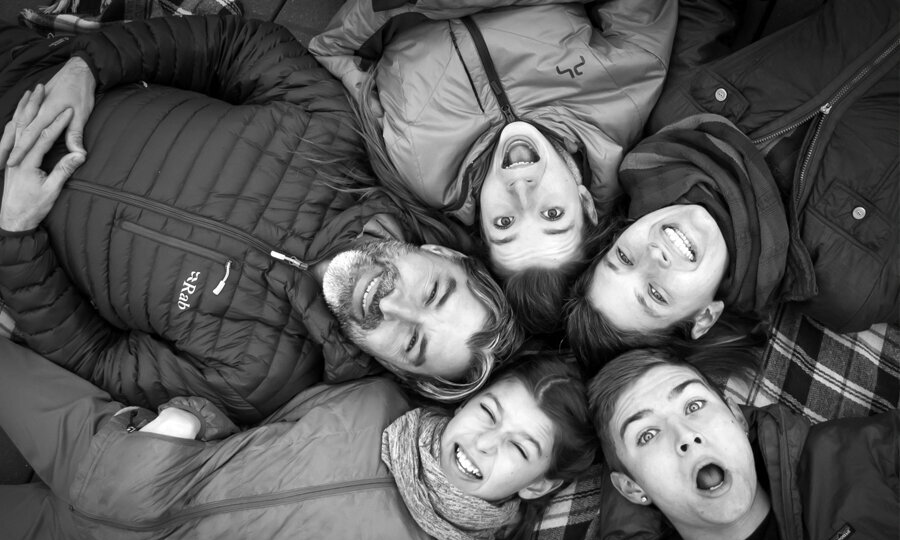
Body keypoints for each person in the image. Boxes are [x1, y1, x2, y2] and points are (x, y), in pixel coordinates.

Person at [0, 16, 523, 424]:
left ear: (398, 372)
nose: (392, 303)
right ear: (442, 255)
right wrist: (88, 67)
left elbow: (97, 358)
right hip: (31, 77)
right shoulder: (339, 138)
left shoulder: (255, 383)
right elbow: (234, 44)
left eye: (412, 343)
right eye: (431, 292)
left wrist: (16, 234)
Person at [0, 339, 596, 540]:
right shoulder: (377, 399)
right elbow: (251, 430)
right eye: (489, 411)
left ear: (539, 482)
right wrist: (185, 423)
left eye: (519, 449)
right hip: (111, 451)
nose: (484, 443)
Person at [566, 0, 898, 372]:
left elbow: (708, 9)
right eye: (655, 294)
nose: (653, 257)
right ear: (704, 318)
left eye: (623, 259)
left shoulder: (672, 116)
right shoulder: (851, 289)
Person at [309, 0, 677, 333]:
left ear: (482, 225)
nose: (520, 189)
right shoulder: (623, 94)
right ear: (585, 205)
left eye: (505, 224)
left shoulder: (421, 172)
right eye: (552, 214)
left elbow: (336, 51)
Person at [587, 347, 898, 540]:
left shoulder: (863, 455)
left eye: (694, 405)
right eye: (647, 435)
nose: (685, 436)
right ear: (631, 488)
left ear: (737, 417)